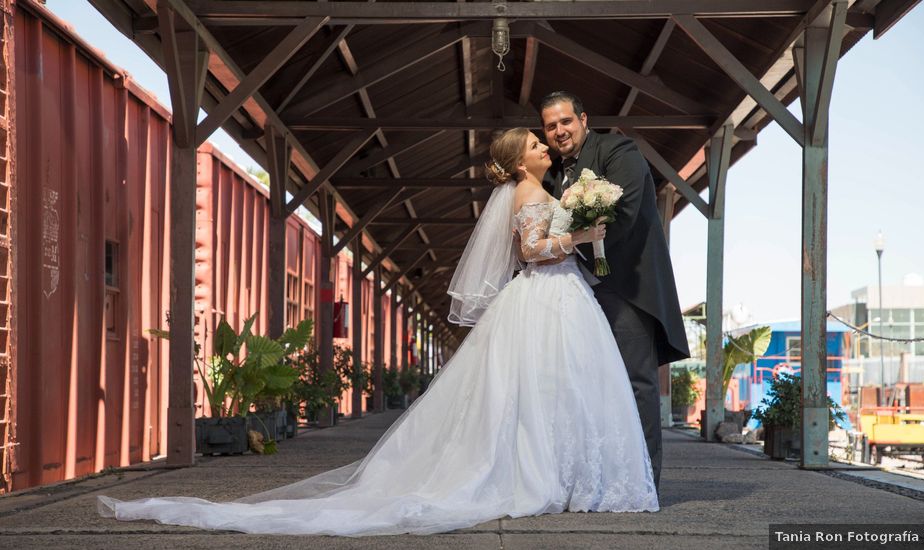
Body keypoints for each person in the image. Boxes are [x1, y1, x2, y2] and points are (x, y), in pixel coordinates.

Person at [96, 128, 658, 536]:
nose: (544, 147)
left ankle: (556, 473)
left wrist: (584, 230)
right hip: (546, 293)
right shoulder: (529, 194)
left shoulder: (538, 191)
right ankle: (550, 476)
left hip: (561, 298)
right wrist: (582, 237)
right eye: (535, 144)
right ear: (518, 163)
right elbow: (532, 251)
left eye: (543, 141)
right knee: (546, 390)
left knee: (550, 390)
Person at [540, 91, 691, 491]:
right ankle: (600, 477)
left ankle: (642, 481)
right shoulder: (554, 175)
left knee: (635, 382)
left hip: (627, 286)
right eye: (551, 126)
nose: (559, 131)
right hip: (580, 291)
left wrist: (577, 243)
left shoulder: (617, 149)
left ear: (583, 119)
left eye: (565, 122)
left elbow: (622, 214)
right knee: (590, 385)